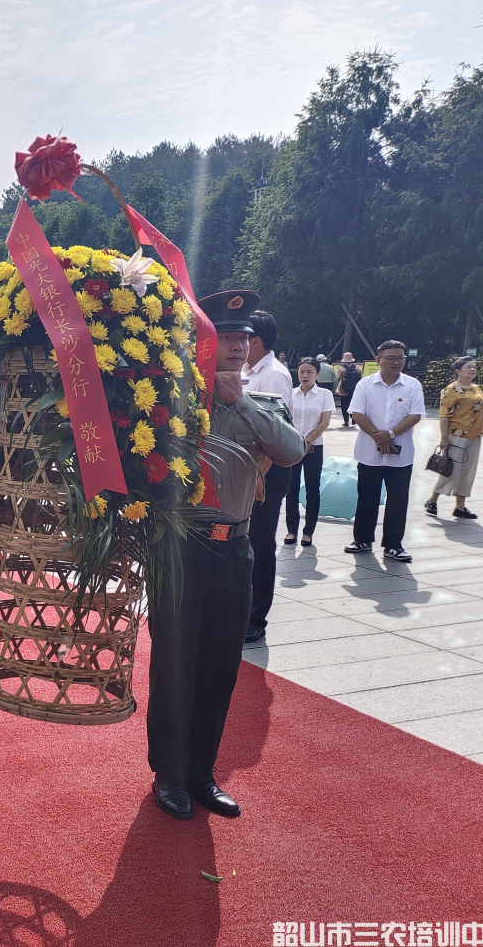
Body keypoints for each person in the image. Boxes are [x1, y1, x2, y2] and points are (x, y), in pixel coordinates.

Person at [149, 292, 305, 821]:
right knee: (175, 666)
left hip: (235, 550)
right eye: (226, 337)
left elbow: (293, 451)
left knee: (220, 668)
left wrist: (241, 403)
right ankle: (169, 774)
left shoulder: (263, 406)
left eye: (243, 338)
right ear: (203, 343)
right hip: (181, 549)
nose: (237, 346)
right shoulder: (174, 403)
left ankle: (201, 772)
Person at [239, 310, 294, 644]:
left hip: (267, 472)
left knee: (260, 543)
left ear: (255, 341)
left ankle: (256, 618)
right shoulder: (248, 371)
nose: (235, 344)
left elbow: (278, 434)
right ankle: (242, 610)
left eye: (241, 337)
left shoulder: (273, 376)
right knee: (244, 542)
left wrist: (258, 478)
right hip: (249, 469)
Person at [345, 340, 425, 562]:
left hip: (401, 456)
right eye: (391, 358)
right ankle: (362, 540)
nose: (397, 362)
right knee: (367, 498)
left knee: (398, 500)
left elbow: (415, 415)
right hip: (369, 454)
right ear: (378, 360)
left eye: (401, 358)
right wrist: (378, 437)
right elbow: (357, 413)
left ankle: (393, 545)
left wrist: (389, 434)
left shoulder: (412, 385)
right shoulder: (365, 384)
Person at [425, 356, 483, 520]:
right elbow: (444, 416)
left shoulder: (477, 389)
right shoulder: (450, 390)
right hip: (456, 436)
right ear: (458, 371)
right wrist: (444, 437)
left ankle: (460, 507)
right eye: (468, 367)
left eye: (474, 367)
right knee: (450, 470)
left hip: (474, 436)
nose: (473, 369)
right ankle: (432, 500)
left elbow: (482, 413)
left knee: (467, 472)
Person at [285, 357, 334, 547]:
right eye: (301, 371)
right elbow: (285, 419)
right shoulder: (290, 394)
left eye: (310, 372)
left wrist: (308, 440)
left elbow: (325, 422)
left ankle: (308, 532)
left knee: (312, 489)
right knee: (291, 489)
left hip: (314, 447)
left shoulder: (324, 394)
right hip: (292, 445)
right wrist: (296, 440)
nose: (305, 375)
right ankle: (291, 530)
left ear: (318, 374)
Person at [337, 352, 361, 426]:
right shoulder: (357, 367)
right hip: (354, 389)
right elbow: (360, 377)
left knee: (344, 405)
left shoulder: (341, 368)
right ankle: (353, 419)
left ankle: (346, 421)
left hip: (344, 390)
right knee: (353, 404)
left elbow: (338, 377)